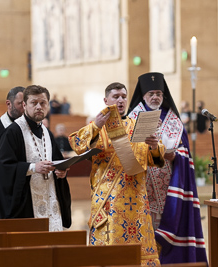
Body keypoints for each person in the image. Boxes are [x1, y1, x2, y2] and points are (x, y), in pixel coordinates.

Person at [68, 82, 165, 266]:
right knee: (110, 254)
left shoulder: (138, 126)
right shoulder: (99, 128)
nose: (120, 100)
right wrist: (95, 125)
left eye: (123, 96)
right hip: (108, 202)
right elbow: (77, 144)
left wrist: (153, 145)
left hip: (136, 201)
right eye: (116, 97)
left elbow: (154, 160)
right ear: (106, 100)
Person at [127, 72, 207, 264]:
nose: (155, 97)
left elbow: (185, 152)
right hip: (142, 189)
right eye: (151, 93)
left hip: (169, 190)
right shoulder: (132, 119)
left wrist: (175, 155)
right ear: (143, 95)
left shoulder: (174, 121)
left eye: (159, 94)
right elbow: (127, 153)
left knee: (168, 232)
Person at [0, 85, 71, 231]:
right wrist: (33, 167)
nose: (39, 107)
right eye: (34, 103)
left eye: (43, 103)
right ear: (24, 105)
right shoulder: (13, 132)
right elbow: (1, 168)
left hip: (50, 201)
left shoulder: (47, 132)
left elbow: (57, 162)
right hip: (26, 204)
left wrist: (61, 172)